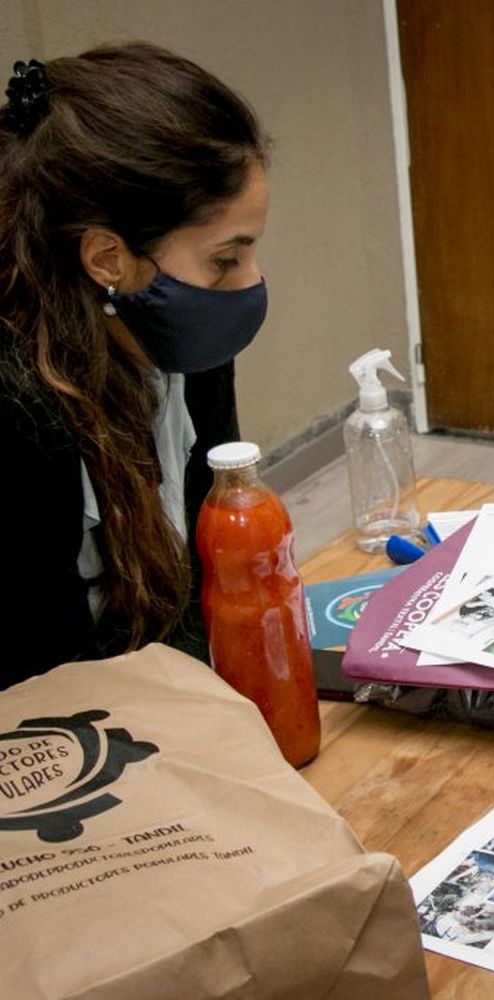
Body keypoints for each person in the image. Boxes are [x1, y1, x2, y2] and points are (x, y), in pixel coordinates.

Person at [1, 44, 270, 686]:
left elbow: (207, 567)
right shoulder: (19, 414)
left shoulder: (183, 342)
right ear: (107, 260)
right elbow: (43, 672)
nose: (250, 282)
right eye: (225, 259)